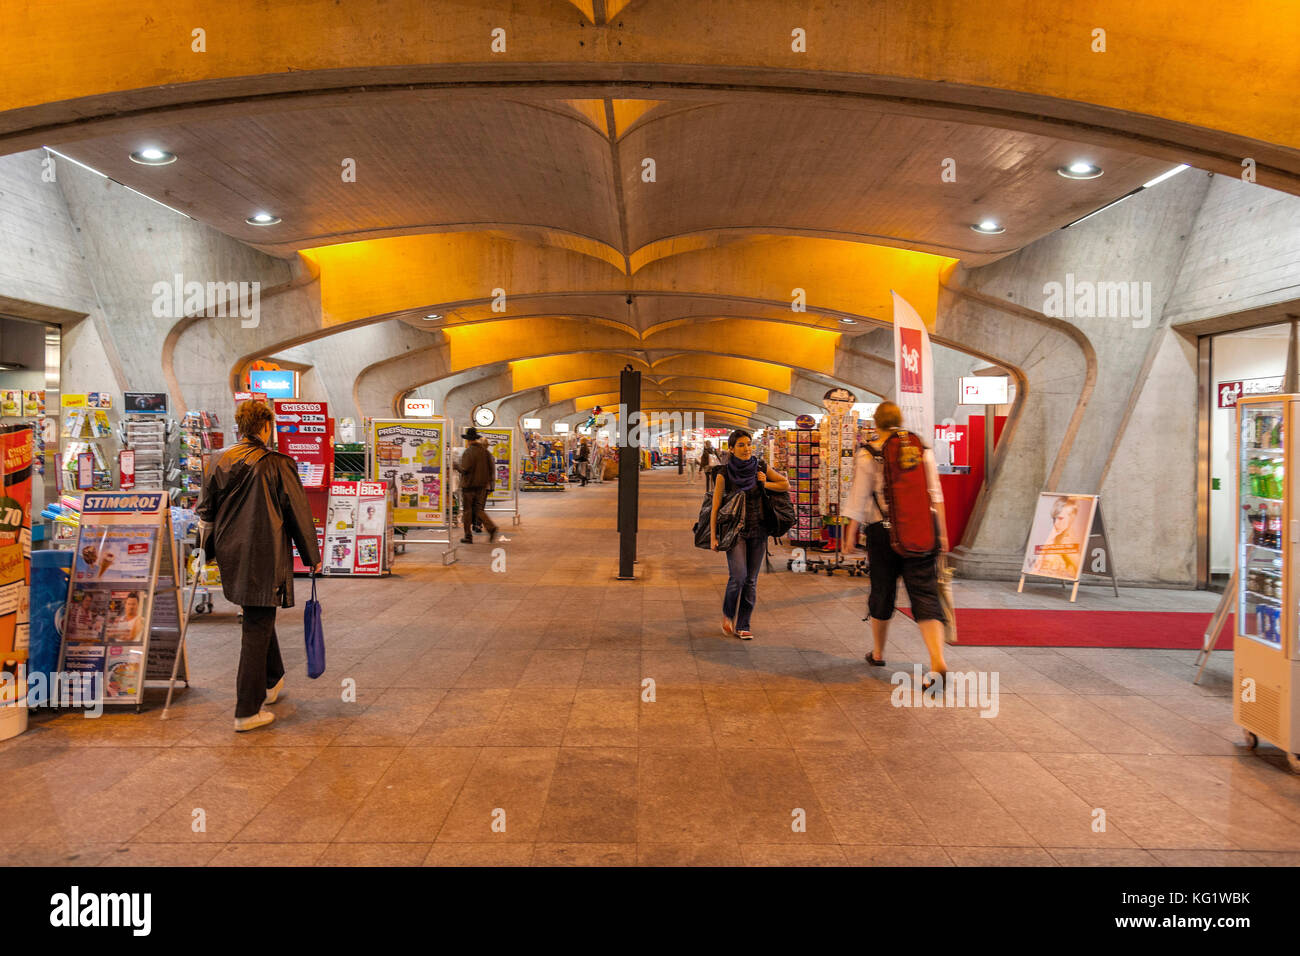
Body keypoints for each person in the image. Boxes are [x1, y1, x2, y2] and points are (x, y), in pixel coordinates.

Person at [196, 399, 322, 733]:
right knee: (256, 624)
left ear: (240, 426)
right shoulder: (277, 463)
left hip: (230, 553)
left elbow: (205, 512)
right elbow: (298, 512)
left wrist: (202, 553)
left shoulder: (216, 460)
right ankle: (247, 710)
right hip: (264, 553)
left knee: (258, 614)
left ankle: (273, 680)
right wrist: (312, 555)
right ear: (265, 427)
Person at [842, 401, 949, 689]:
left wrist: (850, 532)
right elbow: (934, 493)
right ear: (899, 420)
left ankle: (878, 652)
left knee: (882, 592)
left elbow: (859, 495)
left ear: (875, 423)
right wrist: (942, 534)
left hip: (883, 533)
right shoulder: (920, 449)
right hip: (920, 530)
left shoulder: (869, 453)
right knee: (925, 596)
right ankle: (937, 660)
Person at [709, 429, 790, 639]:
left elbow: (784, 484)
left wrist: (765, 482)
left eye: (748, 444)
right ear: (732, 449)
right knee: (738, 576)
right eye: (741, 445)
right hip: (735, 532)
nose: (746, 449)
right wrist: (713, 537)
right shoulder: (723, 473)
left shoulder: (760, 467)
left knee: (751, 580)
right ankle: (728, 614)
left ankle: (744, 625)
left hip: (759, 530)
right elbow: (715, 506)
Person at [456, 427, 498, 543]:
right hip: (482, 486)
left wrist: (456, 466)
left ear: (468, 440)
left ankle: (468, 536)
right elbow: (491, 469)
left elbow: (464, 469)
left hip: (469, 487)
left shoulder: (468, 452)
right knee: (479, 509)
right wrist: (490, 484)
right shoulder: (485, 452)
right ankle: (491, 527)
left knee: (468, 511)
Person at [1031, 497, 1082, 577]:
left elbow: (1078, 568)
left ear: (1072, 517)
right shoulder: (1055, 538)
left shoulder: (1066, 541)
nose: (1056, 523)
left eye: (1060, 518)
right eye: (1054, 519)